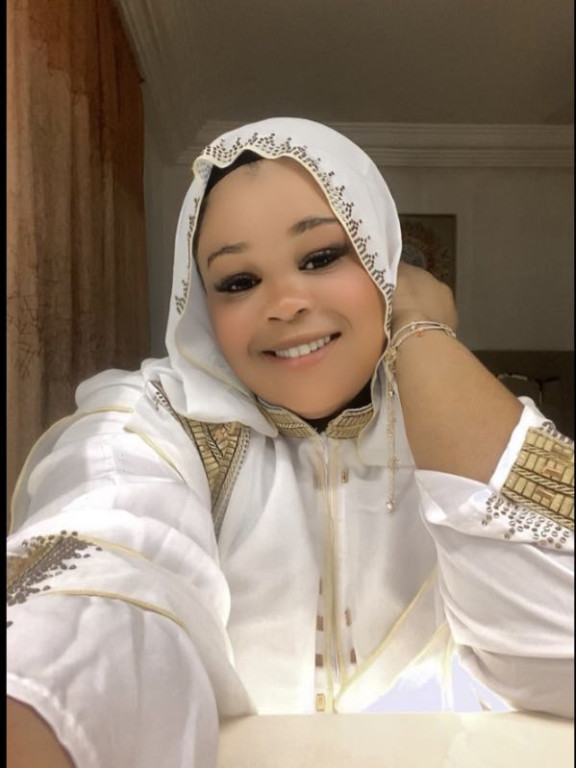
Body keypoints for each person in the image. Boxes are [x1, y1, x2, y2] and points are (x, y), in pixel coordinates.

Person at [7, 117, 574, 768]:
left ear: (383, 262)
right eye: (238, 282)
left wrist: (419, 331)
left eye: (321, 257)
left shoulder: (450, 421)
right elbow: (103, 566)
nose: (284, 302)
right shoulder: (158, 422)